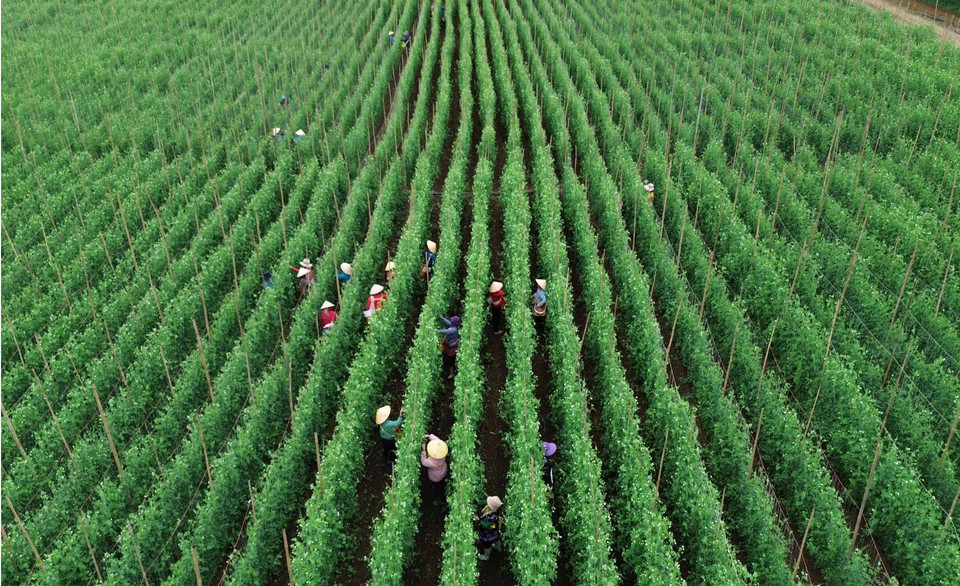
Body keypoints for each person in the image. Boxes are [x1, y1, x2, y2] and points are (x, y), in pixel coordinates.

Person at [420, 434, 449, 506]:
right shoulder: (442, 450)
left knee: (438, 488)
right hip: (443, 470)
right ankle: (443, 488)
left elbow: (423, 462)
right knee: (441, 483)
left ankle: (440, 500)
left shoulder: (432, 462)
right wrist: (429, 436)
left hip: (436, 477)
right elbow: (437, 441)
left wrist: (423, 451)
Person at [473, 496, 504, 561]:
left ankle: (486, 556)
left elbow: (486, 525)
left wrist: (478, 520)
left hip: (488, 534)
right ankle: (499, 548)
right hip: (495, 532)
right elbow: (483, 502)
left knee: (487, 545)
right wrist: (476, 501)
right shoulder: (490, 507)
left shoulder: (492, 517)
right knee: (496, 540)